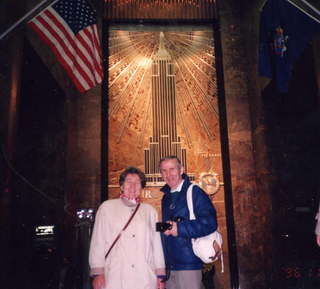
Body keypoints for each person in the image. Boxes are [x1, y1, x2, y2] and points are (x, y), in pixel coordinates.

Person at [89, 166, 165, 289]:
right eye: (129, 181)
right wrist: (98, 273)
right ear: (122, 186)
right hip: (115, 276)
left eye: (137, 183)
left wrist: (160, 276)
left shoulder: (150, 211)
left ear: (142, 187)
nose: (133, 186)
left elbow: (156, 245)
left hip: (144, 276)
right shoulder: (107, 208)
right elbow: (98, 242)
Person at [159, 156, 217, 289]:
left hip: (189, 264)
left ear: (181, 170)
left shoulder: (195, 192)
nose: (168, 174)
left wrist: (179, 228)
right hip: (170, 266)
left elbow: (210, 223)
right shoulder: (166, 198)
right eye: (164, 171)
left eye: (172, 169)